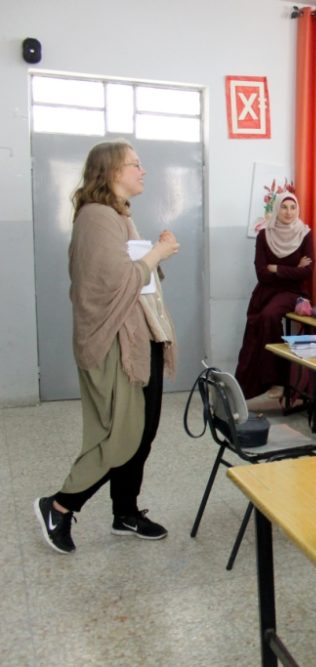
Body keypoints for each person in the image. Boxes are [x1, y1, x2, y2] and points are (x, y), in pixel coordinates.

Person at [34, 140, 179, 554]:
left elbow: (137, 276)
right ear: (112, 171)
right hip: (116, 341)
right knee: (122, 436)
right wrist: (157, 252)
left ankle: (125, 512)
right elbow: (111, 284)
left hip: (139, 335)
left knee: (143, 432)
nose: (143, 171)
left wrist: (154, 254)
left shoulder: (119, 215)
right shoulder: (97, 217)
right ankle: (60, 506)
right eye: (135, 164)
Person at [234, 192, 313, 400]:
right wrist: (292, 269)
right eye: (284, 207)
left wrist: (276, 268)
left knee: (269, 315)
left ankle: (277, 380)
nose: (288, 212)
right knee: (256, 323)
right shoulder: (264, 235)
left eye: (293, 207)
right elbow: (261, 273)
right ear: (277, 209)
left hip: (293, 293)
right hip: (265, 291)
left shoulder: (304, 234)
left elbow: (307, 273)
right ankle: (252, 385)